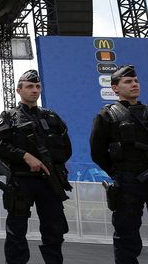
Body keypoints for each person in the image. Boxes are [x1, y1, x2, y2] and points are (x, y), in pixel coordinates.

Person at [0, 69, 72, 264]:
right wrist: (25, 156)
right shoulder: (9, 116)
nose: (34, 90)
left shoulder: (52, 117)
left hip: (50, 181)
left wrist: (49, 160)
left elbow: (66, 149)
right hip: (21, 181)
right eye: (29, 86)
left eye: (37, 86)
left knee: (54, 231)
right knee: (17, 231)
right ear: (19, 90)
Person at [90, 65, 148, 264]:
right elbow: (97, 153)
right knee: (127, 235)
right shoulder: (107, 116)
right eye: (128, 82)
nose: (134, 84)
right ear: (115, 88)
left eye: (136, 81)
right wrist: (120, 172)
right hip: (127, 182)